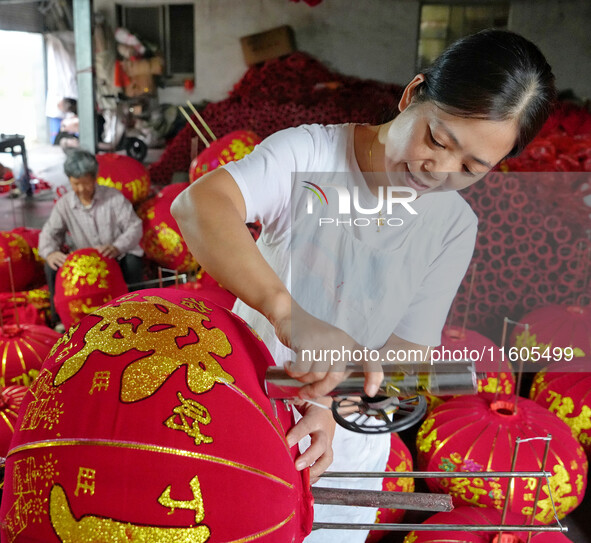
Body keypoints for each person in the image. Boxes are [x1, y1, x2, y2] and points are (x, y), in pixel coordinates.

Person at [171, 29, 556, 542]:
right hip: (242, 405)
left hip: (345, 440)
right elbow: (198, 205)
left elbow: (402, 355)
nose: (437, 171)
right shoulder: (310, 154)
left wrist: (331, 403)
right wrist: (289, 313)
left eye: (471, 167)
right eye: (438, 139)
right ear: (411, 94)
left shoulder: (454, 226)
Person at [38, 149, 144, 330]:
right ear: (69, 180)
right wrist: (50, 252)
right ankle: (59, 318)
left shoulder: (113, 198)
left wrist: (117, 246)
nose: (81, 189)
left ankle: (135, 310)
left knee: (134, 262)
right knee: (51, 265)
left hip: (114, 256)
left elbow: (135, 226)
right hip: (85, 264)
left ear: (95, 178)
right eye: (75, 184)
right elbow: (49, 233)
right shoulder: (65, 204)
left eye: (86, 184)